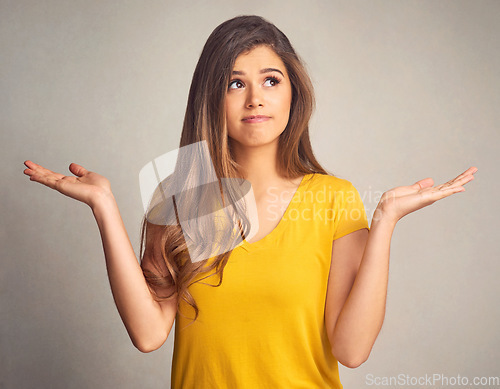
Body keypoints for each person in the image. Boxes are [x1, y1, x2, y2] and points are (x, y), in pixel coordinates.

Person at [23, 15, 477, 389]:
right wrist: (104, 206)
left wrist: (385, 225)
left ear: (292, 92)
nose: (256, 98)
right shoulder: (179, 200)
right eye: (236, 83)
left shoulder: (333, 198)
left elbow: (352, 351)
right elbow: (148, 333)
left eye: (271, 80)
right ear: (212, 97)